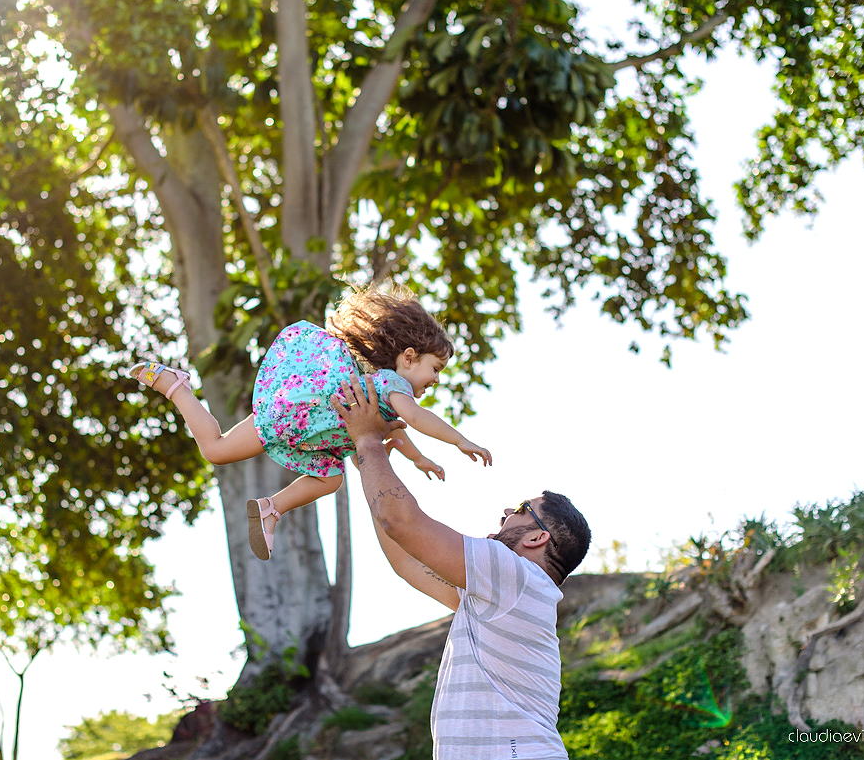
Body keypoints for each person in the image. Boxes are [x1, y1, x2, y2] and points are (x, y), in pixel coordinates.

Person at [128, 287, 492, 561]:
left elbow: (397, 429)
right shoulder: (392, 383)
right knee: (330, 479)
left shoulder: (379, 391)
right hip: (296, 418)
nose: (436, 380)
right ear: (409, 357)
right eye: (436, 369)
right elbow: (414, 417)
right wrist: (460, 441)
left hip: (286, 414)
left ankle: (177, 388)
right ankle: (274, 507)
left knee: (216, 450)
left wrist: (418, 459)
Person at [332, 375, 591, 760]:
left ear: (538, 538)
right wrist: (366, 460)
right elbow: (405, 557)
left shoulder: (515, 575)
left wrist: (369, 440)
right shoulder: (504, 595)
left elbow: (401, 522)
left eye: (521, 510)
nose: (506, 511)